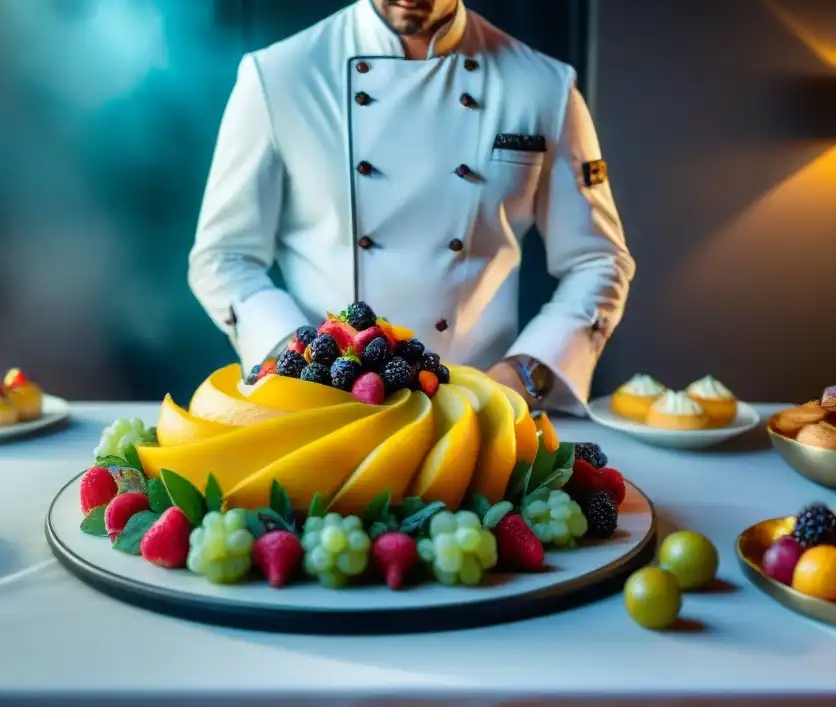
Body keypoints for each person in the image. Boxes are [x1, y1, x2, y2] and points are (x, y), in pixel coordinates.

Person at [189, 0, 634, 414]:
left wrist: (521, 375)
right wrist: (302, 361)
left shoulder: (543, 86)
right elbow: (222, 257)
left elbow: (599, 260)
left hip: (476, 412)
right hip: (322, 412)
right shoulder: (279, 76)